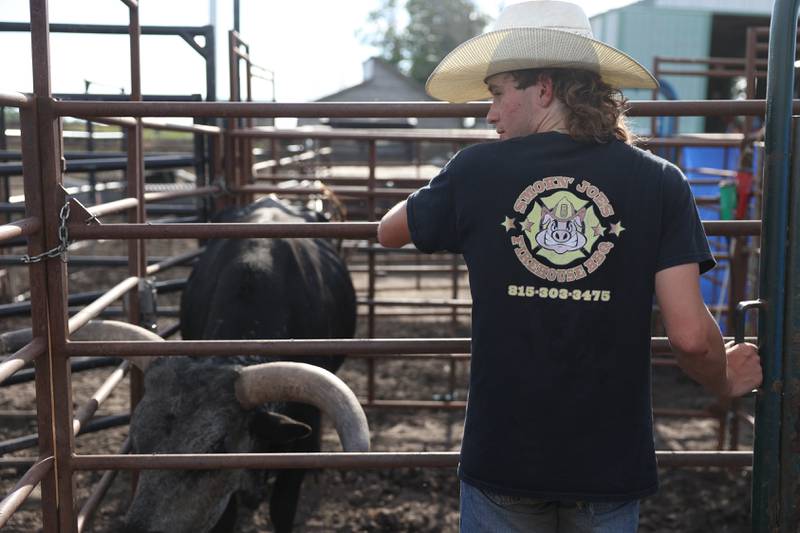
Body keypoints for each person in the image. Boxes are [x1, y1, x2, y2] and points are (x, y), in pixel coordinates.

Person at [376, 1, 763, 532]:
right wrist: (724, 379)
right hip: (608, 465)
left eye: (496, 95)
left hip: (503, 459)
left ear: (543, 89)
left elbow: (389, 230)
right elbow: (692, 338)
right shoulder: (660, 181)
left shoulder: (475, 170)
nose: (489, 115)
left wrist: (457, 183)